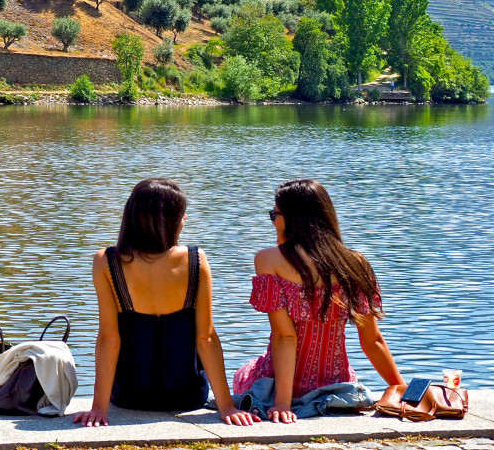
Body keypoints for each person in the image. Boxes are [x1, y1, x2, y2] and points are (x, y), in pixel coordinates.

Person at [74, 178, 260, 427]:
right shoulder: (195, 259)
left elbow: (110, 338)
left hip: (129, 396)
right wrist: (227, 407)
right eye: (182, 214)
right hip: (187, 397)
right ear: (169, 220)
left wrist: (98, 408)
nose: (184, 220)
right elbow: (206, 338)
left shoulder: (107, 261)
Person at [233, 179, 405, 424]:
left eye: (274, 214)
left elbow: (286, 337)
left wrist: (282, 403)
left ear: (292, 217)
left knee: (244, 373)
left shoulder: (269, 259)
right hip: (337, 384)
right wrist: (400, 387)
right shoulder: (356, 264)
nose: (273, 221)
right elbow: (372, 340)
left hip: (281, 384)